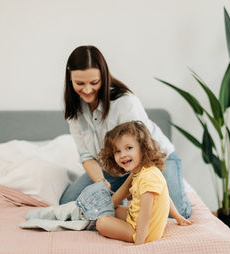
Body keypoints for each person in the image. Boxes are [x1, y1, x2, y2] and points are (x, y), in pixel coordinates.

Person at [59, 45, 191, 219]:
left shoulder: (125, 103)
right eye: (79, 83)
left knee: (171, 214)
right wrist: (101, 183)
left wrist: (120, 196)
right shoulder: (73, 108)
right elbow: (86, 156)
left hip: (150, 160)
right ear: (70, 77)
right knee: (69, 204)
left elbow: (142, 152)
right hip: (113, 166)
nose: (87, 90)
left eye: (94, 82)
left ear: (103, 77)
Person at [96, 121, 193, 244]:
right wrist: (178, 217)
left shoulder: (148, 177)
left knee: (101, 222)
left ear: (143, 147)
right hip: (134, 218)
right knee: (113, 210)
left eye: (129, 148)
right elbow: (165, 196)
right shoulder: (142, 171)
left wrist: (139, 242)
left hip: (143, 232)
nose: (122, 155)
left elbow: (145, 215)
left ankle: (134, 235)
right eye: (117, 151)